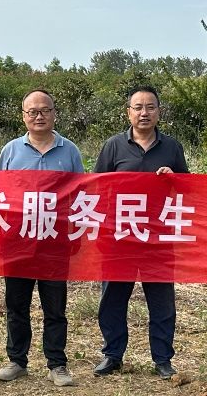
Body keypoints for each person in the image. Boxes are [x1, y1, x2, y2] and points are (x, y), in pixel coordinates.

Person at [93, 85, 188, 380]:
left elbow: (187, 190)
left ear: (159, 112)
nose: (144, 113)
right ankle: (112, 355)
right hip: (120, 237)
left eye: (150, 107)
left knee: (161, 302)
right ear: (128, 112)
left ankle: (163, 359)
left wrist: (173, 179)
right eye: (138, 107)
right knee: (112, 299)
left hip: (158, 239)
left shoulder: (172, 147)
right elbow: (97, 188)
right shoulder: (113, 146)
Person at [0, 89, 83, 387]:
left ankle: (57, 364)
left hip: (55, 242)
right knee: (16, 306)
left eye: (45, 110)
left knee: (55, 308)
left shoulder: (69, 151)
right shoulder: (11, 151)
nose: (39, 116)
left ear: (54, 113)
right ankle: (17, 361)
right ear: (23, 116)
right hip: (17, 241)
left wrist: (76, 235)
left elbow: (80, 195)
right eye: (32, 111)